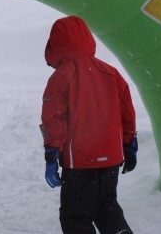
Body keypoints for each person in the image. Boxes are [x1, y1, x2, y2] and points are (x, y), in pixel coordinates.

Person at [40, 16, 137, 234]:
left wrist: (51, 153)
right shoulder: (110, 73)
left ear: (56, 43)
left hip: (80, 162)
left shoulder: (60, 78)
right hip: (111, 158)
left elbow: (53, 120)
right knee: (108, 207)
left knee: (75, 216)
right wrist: (130, 143)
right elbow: (127, 112)